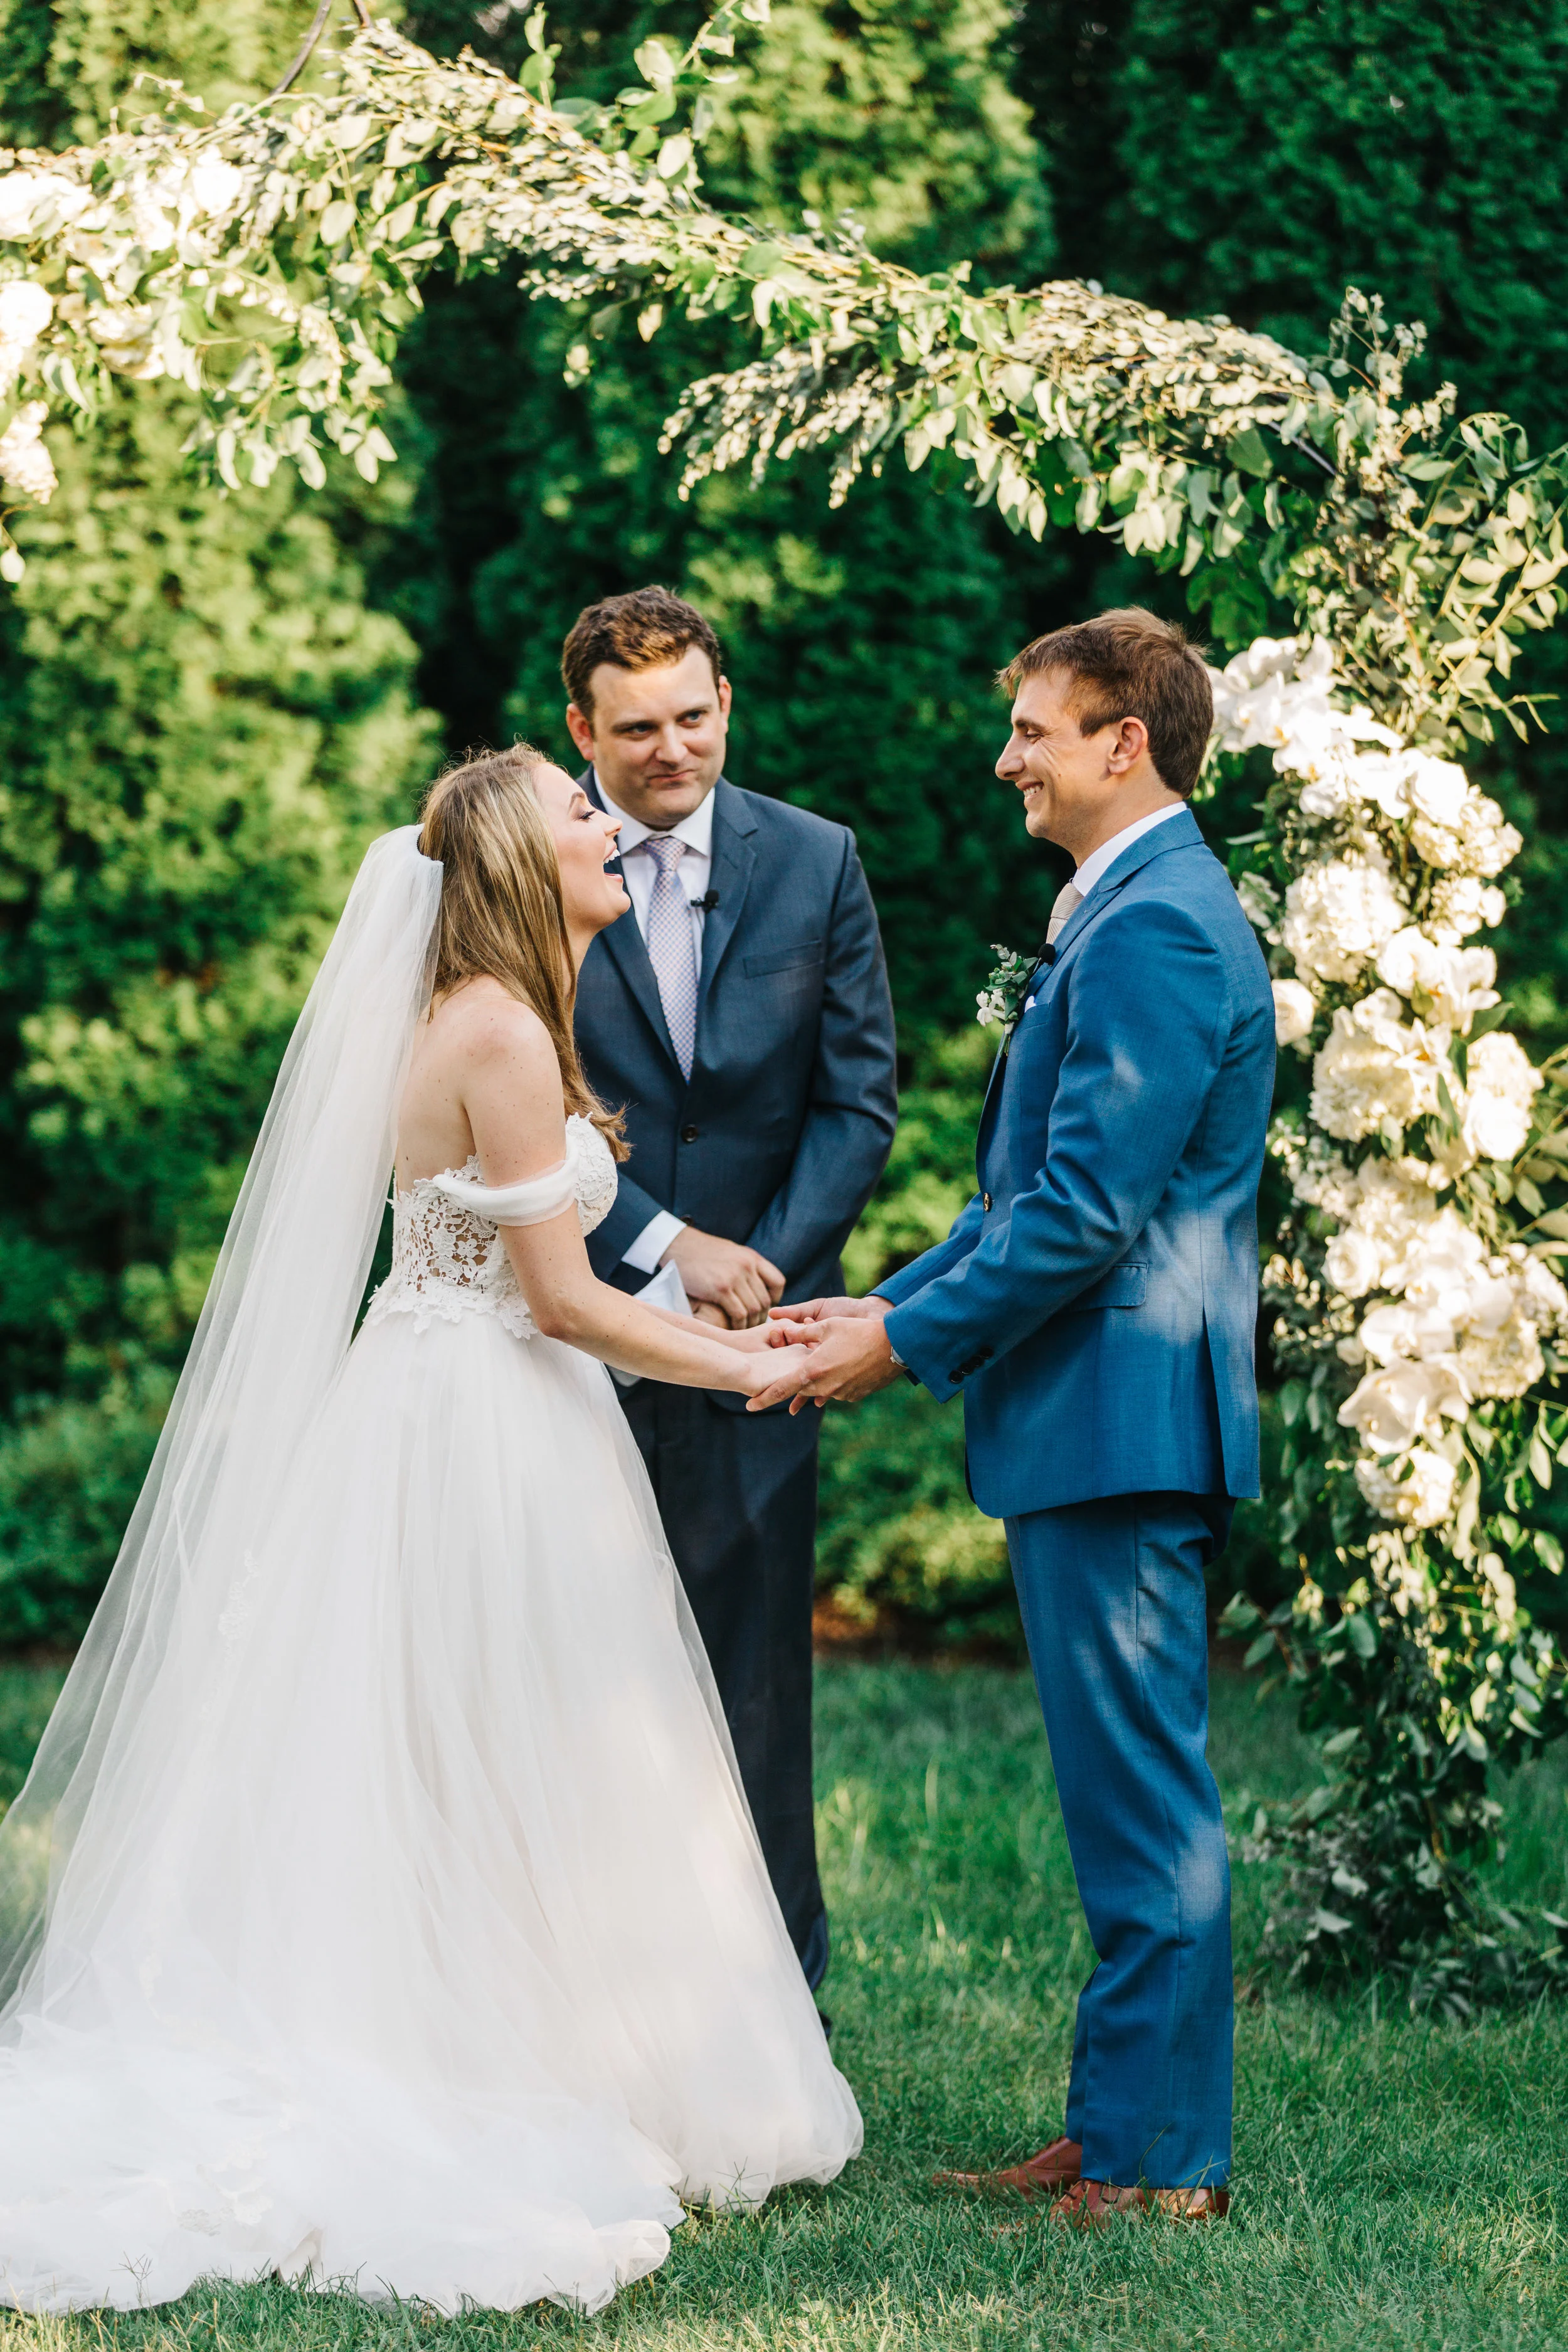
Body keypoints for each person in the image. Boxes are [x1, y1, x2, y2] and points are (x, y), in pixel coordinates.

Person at [0, 748, 861, 2316]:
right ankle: (487, 2057)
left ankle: (543, 2029)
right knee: (505, 1738)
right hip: (481, 1416)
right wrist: (755, 1364)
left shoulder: (501, 1014)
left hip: (469, 1402)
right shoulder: (501, 1029)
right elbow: (565, 1298)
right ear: (524, 865)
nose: (613, 824)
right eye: (579, 815)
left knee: (499, 1746)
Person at [761, 610, 1275, 2224]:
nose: (1007, 760)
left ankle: (1160, 2164)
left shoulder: (1158, 929)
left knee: (1143, 1799)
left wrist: (903, 1347)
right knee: (1118, 1794)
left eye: (1035, 732)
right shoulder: (1124, 911)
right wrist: (887, 1299)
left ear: (1124, 741)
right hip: (1100, 1415)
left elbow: (1083, 1218)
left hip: (1123, 1421)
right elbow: (1030, 1194)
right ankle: (1117, 2126)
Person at [563, 587, 898, 1998]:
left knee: (755, 1684)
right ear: (580, 729)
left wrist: (749, 1277)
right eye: (635, 728)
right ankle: (577, 1993)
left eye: (692, 717)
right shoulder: (528, 868)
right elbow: (499, 1096)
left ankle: (772, 2008)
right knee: (565, 1674)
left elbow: (858, 1099)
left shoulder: (815, 863)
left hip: (758, 1347)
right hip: (565, 1325)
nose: (669, 750)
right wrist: (661, 1245)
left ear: (723, 704)